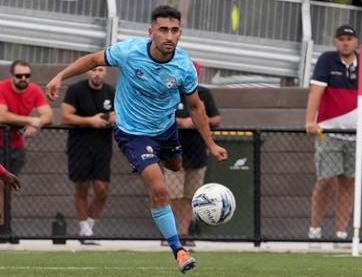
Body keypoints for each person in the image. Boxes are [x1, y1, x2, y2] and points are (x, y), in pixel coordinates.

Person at [46, 5, 228, 273]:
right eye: (163, 29)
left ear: (180, 33)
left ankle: (153, 165)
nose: (168, 35)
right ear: (151, 31)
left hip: (165, 131)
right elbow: (94, 60)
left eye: (174, 30)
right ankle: (178, 250)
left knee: (176, 166)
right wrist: (60, 76)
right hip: (133, 133)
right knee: (160, 189)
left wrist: (211, 144)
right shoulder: (129, 51)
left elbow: (197, 107)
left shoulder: (184, 66)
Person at [305, 25, 362, 240]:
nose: (345, 42)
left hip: (358, 135)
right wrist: (310, 121)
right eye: (341, 39)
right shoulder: (327, 60)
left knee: (349, 182)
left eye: (349, 38)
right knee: (326, 179)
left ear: (355, 41)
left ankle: (341, 232)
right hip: (329, 132)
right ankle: (315, 229)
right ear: (336, 41)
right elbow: (316, 91)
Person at [164, 61, 221, 247]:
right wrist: (182, 122)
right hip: (174, 153)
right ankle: (170, 235)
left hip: (197, 153)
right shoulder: (171, 92)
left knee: (190, 196)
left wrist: (198, 120)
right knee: (173, 195)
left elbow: (216, 119)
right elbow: (161, 115)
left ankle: (184, 234)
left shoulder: (204, 94)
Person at [61, 66, 115, 239]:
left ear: (105, 72)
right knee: (82, 188)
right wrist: (90, 121)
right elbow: (66, 116)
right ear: (88, 72)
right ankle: (84, 228)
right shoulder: (75, 90)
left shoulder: (111, 92)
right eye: (93, 70)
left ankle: (90, 224)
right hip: (79, 146)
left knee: (102, 190)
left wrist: (114, 117)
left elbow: (120, 112)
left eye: (100, 70)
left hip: (103, 146)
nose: (97, 73)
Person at [0, 60, 54, 175]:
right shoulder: (2, 88)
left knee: (11, 183)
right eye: (19, 76)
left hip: (17, 145)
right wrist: (30, 120)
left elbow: (48, 115)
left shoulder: (34, 90)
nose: (23, 78)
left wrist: (38, 124)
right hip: (0, 143)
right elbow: (2, 116)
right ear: (12, 76)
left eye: (27, 75)